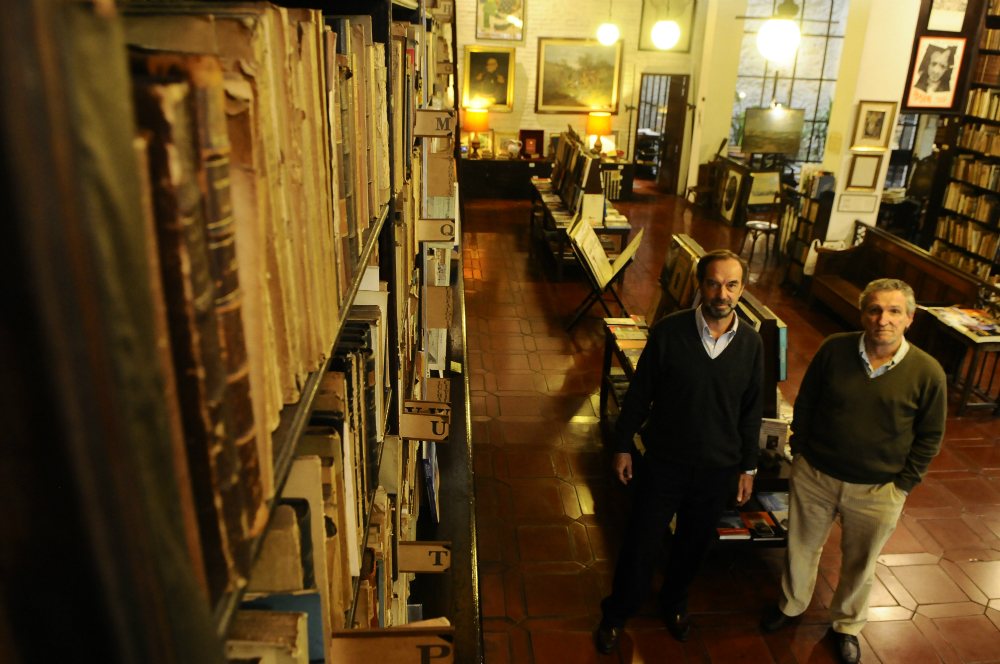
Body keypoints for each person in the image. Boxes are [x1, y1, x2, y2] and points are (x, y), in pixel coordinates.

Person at [760, 279, 947, 664]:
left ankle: (846, 625)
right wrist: (801, 451)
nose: (883, 320)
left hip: (879, 489)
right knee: (800, 546)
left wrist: (903, 485)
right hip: (816, 475)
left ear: (910, 319)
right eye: (875, 310)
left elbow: (930, 436)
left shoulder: (928, 373)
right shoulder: (834, 348)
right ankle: (792, 605)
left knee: (861, 562)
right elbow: (808, 400)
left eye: (895, 311)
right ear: (863, 313)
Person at [595, 250, 764, 654]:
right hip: (665, 461)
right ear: (699, 285)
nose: (721, 293)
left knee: (693, 544)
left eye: (731, 284)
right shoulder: (670, 332)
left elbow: (752, 409)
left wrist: (749, 468)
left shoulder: (753, 344)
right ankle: (618, 612)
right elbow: (640, 395)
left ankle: (674, 604)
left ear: (742, 289)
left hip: (717, 468)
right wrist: (622, 446)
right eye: (713, 283)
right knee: (642, 541)